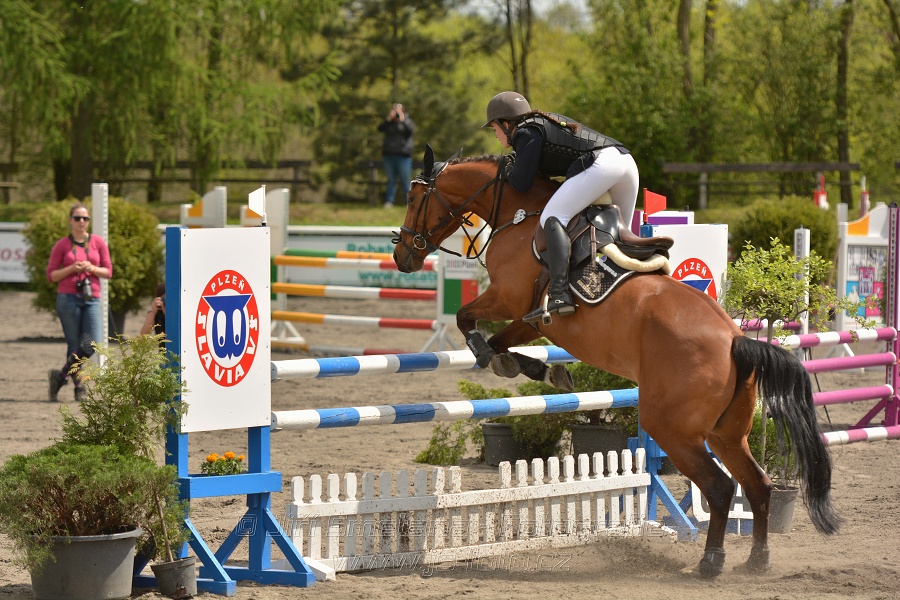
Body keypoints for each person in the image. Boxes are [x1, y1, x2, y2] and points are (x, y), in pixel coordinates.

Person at [482, 91, 639, 323]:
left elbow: (521, 183)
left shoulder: (526, 133)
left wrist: (506, 170)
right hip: (626, 163)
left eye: (494, 129)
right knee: (620, 237)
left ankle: (559, 294)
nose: (495, 135)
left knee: (553, 217)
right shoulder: (539, 124)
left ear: (506, 124)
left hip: (603, 165)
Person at [46, 202, 113, 401]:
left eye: (85, 218)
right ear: (70, 220)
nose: (81, 222)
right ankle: (79, 386)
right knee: (74, 345)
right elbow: (52, 275)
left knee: (93, 343)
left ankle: (59, 376)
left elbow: (108, 271)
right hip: (67, 298)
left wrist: (91, 268)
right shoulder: (62, 245)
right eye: (77, 218)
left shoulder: (98, 242)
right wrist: (72, 268)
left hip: (92, 297)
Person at [378, 102, 416, 208]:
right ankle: (389, 202)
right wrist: (388, 119)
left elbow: (411, 131)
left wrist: (402, 120)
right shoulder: (389, 122)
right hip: (389, 155)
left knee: (405, 180)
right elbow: (380, 128)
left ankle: (409, 201)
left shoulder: (407, 121)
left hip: (403, 155)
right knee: (391, 180)